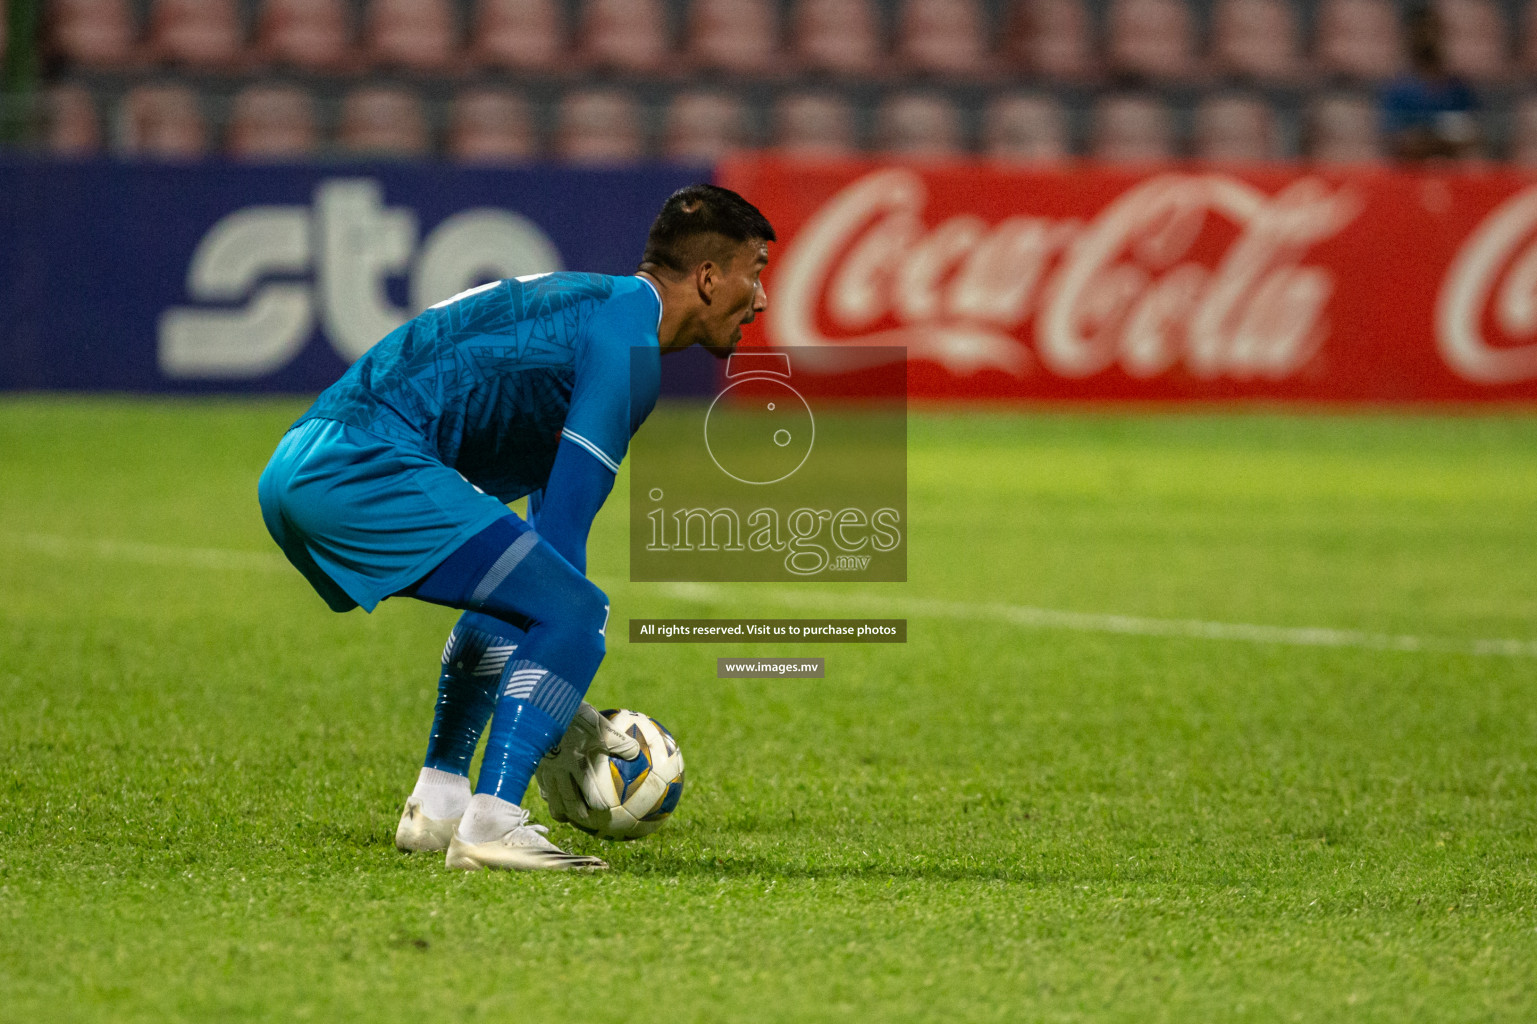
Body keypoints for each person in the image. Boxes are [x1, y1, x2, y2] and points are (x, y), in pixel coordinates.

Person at [257, 184, 774, 871]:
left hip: (301, 461)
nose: (762, 299)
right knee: (573, 609)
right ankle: (493, 821)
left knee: (524, 594)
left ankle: (437, 802)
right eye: (756, 272)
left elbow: (532, 562)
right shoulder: (626, 346)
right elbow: (562, 541)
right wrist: (554, 710)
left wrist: (551, 688)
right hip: (361, 465)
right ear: (709, 279)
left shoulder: (591, 308)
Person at [1380, 6, 1481, 162]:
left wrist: (1428, 139)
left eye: (1434, 31)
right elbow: (1400, 141)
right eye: (1422, 31)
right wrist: (1441, 140)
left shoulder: (1459, 89)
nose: (1428, 38)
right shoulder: (1399, 90)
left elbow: (1471, 135)